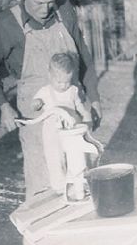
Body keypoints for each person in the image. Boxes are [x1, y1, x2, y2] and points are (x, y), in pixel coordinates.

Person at [0, 0, 102, 203]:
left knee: (78, 177)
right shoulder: (7, 23)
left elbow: (84, 57)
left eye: (50, 2)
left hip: (72, 108)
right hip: (37, 113)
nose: (45, 9)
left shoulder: (65, 10)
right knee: (43, 181)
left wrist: (94, 98)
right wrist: (4, 105)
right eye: (38, 2)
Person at [32, 52, 93, 202]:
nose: (63, 85)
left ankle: (81, 182)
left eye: (67, 81)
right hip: (52, 131)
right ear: (50, 76)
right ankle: (59, 186)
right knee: (54, 156)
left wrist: (86, 116)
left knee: (77, 155)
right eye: (59, 82)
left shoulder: (72, 90)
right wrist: (36, 104)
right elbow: (34, 104)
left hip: (71, 130)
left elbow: (79, 105)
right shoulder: (45, 91)